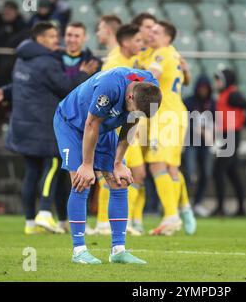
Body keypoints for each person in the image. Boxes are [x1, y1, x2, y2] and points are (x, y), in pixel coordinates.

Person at [0, 22, 96, 235]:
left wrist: (4, 91)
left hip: (22, 125)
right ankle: (45, 213)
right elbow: (65, 87)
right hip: (43, 126)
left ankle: (30, 223)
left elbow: (26, 86)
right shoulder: (47, 62)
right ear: (40, 39)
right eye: (52, 36)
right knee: (55, 164)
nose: (57, 40)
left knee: (31, 171)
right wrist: (83, 74)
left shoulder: (22, 59)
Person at [53, 67, 162, 264]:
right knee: (81, 181)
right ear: (129, 96)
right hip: (73, 124)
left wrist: (118, 163)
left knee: (119, 181)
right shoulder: (109, 87)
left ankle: (118, 250)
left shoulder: (149, 87)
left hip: (102, 128)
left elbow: (132, 121)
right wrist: (87, 165)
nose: (135, 115)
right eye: (133, 109)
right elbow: (90, 124)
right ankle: (79, 250)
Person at [88, 24, 146, 236]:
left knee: (137, 174)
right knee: (112, 174)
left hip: (131, 127)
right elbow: (105, 95)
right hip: (117, 126)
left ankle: (128, 219)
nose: (141, 44)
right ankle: (104, 222)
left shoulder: (129, 63)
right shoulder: (114, 64)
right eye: (138, 40)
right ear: (126, 42)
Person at [143, 21, 196, 235]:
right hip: (178, 113)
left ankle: (172, 216)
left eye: (157, 32)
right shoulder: (174, 54)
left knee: (156, 164)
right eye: (151, 31)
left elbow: (151, 76)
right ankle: (180, 212)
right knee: (171, 168)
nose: (152, 35)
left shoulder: (161, 54)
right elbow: (186, 79)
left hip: (165, 116)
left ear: (167, 37)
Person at [54, 21, 101, 232]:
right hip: (61, 121)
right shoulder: (53, 59)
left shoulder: (95, 63)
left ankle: (80, 221)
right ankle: (61, 218)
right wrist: (81, 74)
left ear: (84, 38)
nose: (72, 39)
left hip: (85, 127)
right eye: (69, 35)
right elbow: (59, 87)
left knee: (84, 172)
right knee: (58, 172)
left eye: (76, 36)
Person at [212, 69, 246, 217]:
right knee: (232, 172)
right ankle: (241, 209)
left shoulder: (232, 94)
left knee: (218, 170)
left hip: (231, 135)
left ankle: (220, 208)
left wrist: (245, 123)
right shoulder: (226, 94)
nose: (216, 83)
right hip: (228, 135)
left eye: (219, 79)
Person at [183, 75, 216, 217]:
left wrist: (213, 133)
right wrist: (197, 129)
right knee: (190, 174)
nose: (203, 91)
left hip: (205, 144)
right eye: (201, 88)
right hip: (190, 142)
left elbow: (216, 121)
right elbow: (183, 121)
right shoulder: (188, 102)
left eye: (206, 88)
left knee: (206, 173)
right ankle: (184, 203)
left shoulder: (212, 103)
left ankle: (197, 203)